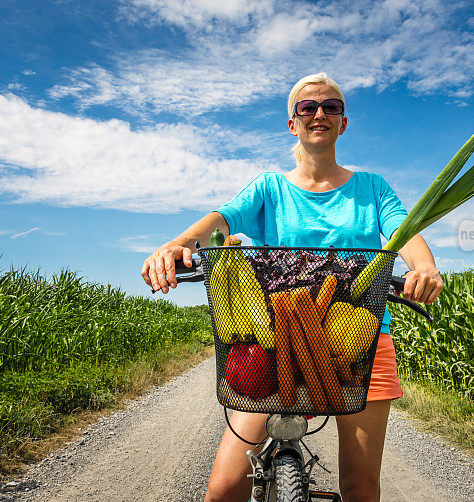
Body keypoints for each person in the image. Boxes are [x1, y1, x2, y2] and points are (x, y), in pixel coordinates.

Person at [141, 72, 444, 502]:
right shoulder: (269, 187)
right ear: (293, 123)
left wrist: (425, 267)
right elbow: (221, 221)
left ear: (343, 123)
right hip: (275, 346)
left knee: (360, 486)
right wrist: (177, 244)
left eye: (331, 107)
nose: (319, 113)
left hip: (362, 345)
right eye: (308, 107)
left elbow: (406, 233)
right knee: (224, 490)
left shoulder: (372, 188)